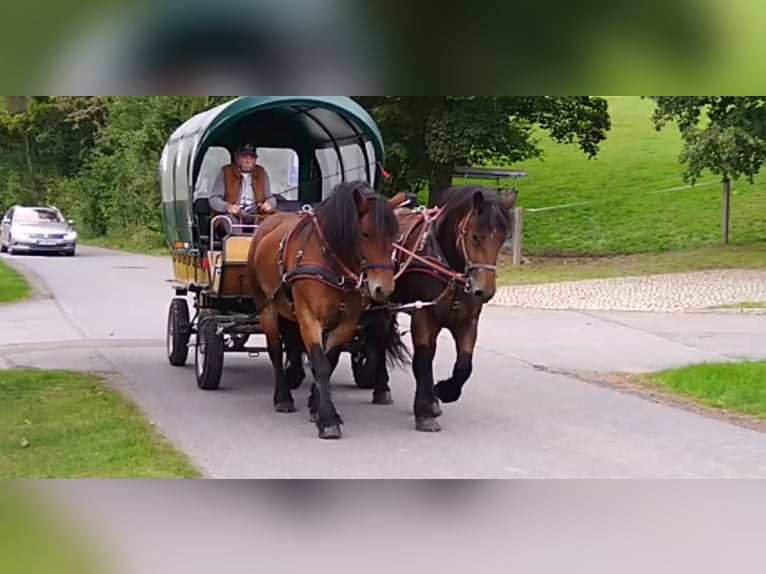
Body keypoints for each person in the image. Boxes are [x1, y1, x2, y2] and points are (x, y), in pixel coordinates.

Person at [209, 143, 277, 234]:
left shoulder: (261, 173)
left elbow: (270, 198)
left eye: (251, 158)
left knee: (267, 224)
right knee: (231, 222)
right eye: (244, 157)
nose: (248, 161)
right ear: (237, 158)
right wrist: (228, 207)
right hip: (233, 215)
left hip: (256, 214)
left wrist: (269, 204)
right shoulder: (226, 172)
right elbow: (214, 199)